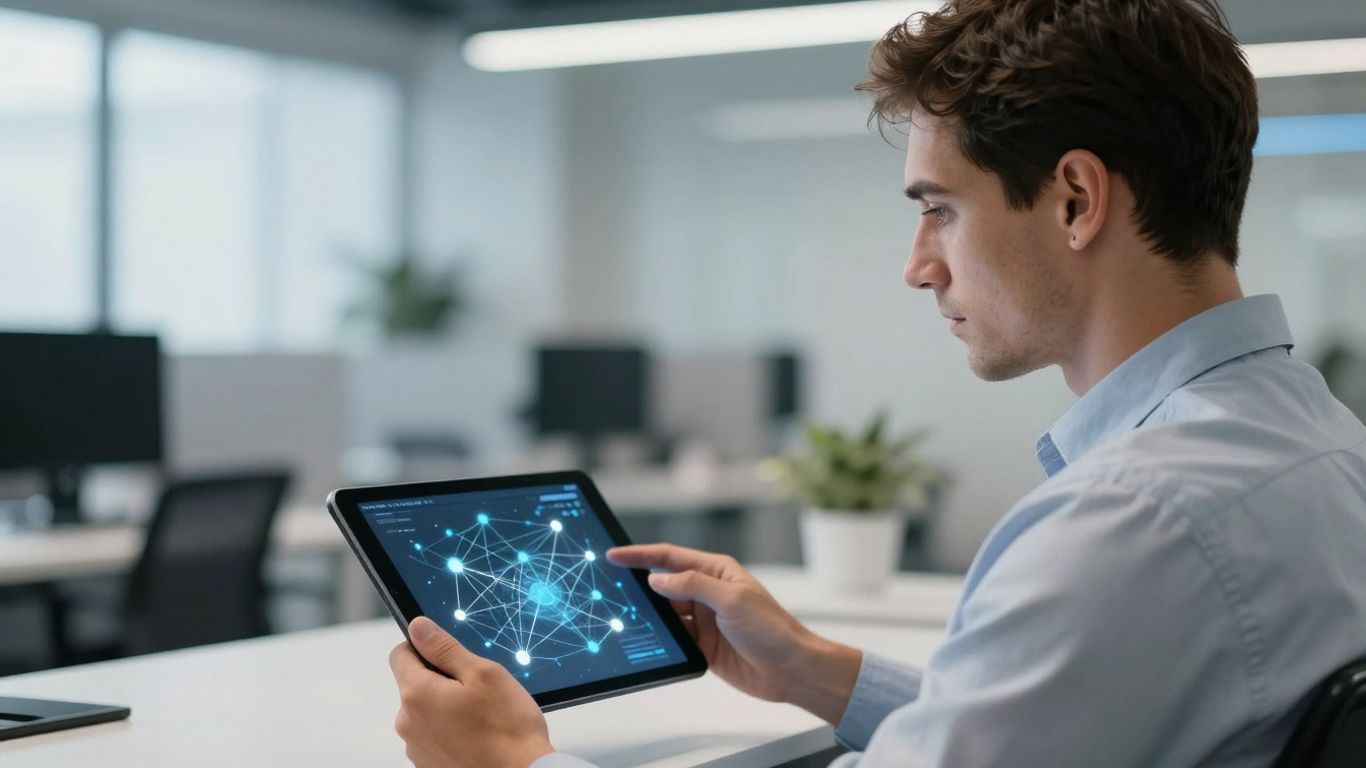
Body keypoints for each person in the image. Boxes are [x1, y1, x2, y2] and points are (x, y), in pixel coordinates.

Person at [386, 0, 1366, 765]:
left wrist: (512, 762)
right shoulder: (1317, 441)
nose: (918, 264)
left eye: (939, 208)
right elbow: (1070, 724)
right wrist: (818, 672)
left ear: (1075, 197)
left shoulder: (1132, 519)